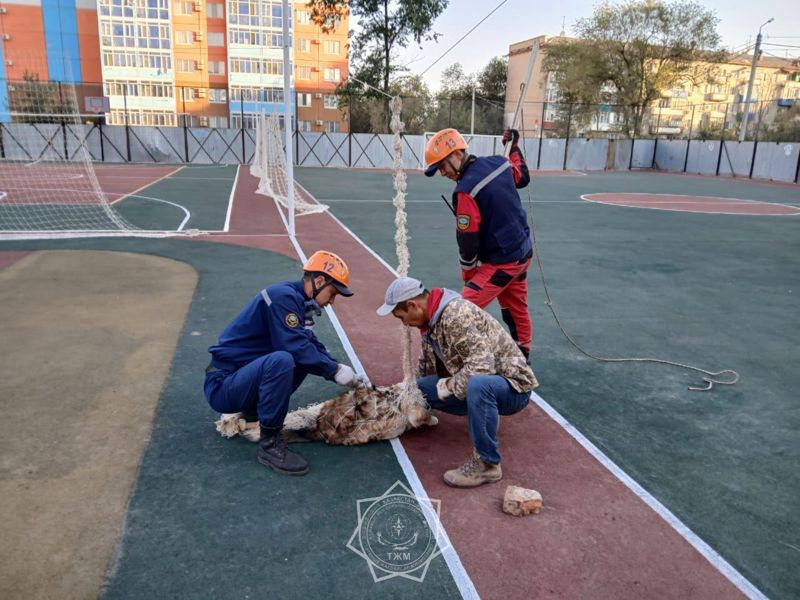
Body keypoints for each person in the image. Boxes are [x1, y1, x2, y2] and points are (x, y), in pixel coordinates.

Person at [204, 250, 364, 476]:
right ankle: (269, 445)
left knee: (305, 358)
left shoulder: (299, 303)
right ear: (318, 281)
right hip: (223, 385)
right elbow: (294, 346)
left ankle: (253, 412)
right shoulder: (284, 297)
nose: (332, 302)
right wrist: (334, 370)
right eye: (333, 293)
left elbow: (311, 345)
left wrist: (341, 369)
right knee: (284, 359)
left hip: (240, 379)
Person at [377, 276, 539, 488]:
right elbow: (426, 368)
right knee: (422, 388)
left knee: (479, 385)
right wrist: (404, 393)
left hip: (512, 388)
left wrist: (451, 385)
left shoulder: (455, 315)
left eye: (402, 317)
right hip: (482, 383)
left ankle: (487, 464)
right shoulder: (430, 322)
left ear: (412, 305)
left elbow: (482, 366)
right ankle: (483, 413)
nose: (404, 323)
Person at [423, 127, 534, 361]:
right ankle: (522, 359)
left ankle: (462, 362)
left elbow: (468, 240)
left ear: (456, 154)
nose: (442, 173)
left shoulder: (465, 191)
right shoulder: (499, 162)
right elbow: (522, 176)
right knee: (515, 309)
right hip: (523, 253)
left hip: (503, 262)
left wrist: (468, 272)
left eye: (442, 166)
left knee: (459, 311)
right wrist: (514, 147)